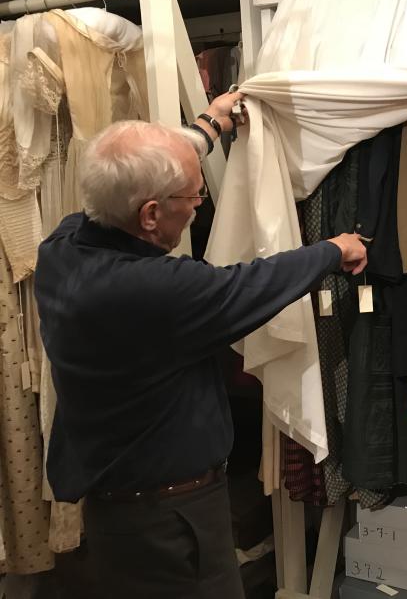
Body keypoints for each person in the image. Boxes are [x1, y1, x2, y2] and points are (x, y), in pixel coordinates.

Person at [33, 91, 367, 599]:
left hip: (119, 511)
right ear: (149, 215)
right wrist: (332, 250)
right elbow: (253, 283)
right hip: (171, 520)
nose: (197, 207)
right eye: (194, 198)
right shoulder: (157, 292)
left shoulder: (63, 247)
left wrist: (208, 127)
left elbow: (126, 183)